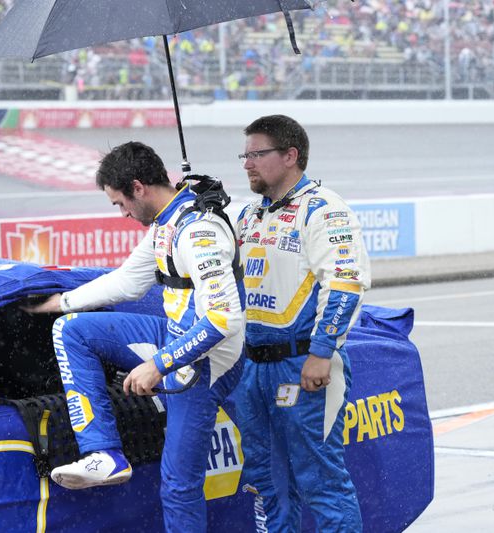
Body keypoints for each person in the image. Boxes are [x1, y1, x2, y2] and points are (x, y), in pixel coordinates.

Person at [25, 141, 245, 532]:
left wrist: (158, 365)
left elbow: (224, 320)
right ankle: (104, 454)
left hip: (206, 360)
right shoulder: (167, 221)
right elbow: (128, 282)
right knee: (72, 329)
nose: (122, 213)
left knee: (178, 485)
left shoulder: (198, 232)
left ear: (138, 187)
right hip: (174, 335)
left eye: (119, 203)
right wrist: (58, 303)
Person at [233, 115, 369, 532]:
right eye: (245, 155)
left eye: (257, 154)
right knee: (267, 485)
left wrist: (322, 352)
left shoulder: (324, 208)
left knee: (321, 482)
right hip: (253, 369)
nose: (247, 164)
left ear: (290, 155)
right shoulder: (248, 215)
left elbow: (346, 283)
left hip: (303, 365)